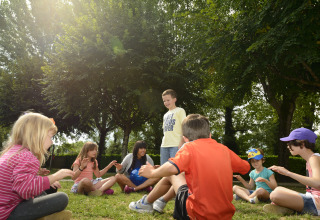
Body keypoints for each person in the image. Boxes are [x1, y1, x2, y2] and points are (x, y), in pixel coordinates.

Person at [129, 114, 251, 219]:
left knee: (174, 173)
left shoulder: (189, 147)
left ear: (185, 138)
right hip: (224, 216)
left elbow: (171, 168)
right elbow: (245, 168)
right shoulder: (224, 149)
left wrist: (152, 173)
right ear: (210, 134)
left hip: (197, 214)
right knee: (183, 174)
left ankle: (146, 203)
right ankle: (160, 201)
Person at [0, 112, 74, 220]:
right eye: (51, 137)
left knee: (43, 192)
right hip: (8, 213)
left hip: (4, 206)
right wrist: (54, 177)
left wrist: (43, 178)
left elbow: (17, 181)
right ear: (37, 136)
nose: (52, 142)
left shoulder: (12, 152)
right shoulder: (27, 157)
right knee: (62, 198)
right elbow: (25, 190)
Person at [263, 128, 320, 216]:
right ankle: (289, 209)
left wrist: (288, 173)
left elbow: (317, 183)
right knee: (278, 189)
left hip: (317, 203)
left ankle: (291, 209)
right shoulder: (310, 159)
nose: (287, 146)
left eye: (290, 143)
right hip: (311, 198)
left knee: (275, 195)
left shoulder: (314, 158)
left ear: (302, 143)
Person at [160, 89, 186, 165]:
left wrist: (182, 142)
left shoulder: (180, 110)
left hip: (176, 145)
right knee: (164, 170)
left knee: (175, 169)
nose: (166, 103)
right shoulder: (165, 115)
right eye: (164, 101)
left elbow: (184, 126)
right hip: (164, 145)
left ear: (174, 99)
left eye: (168, 100)